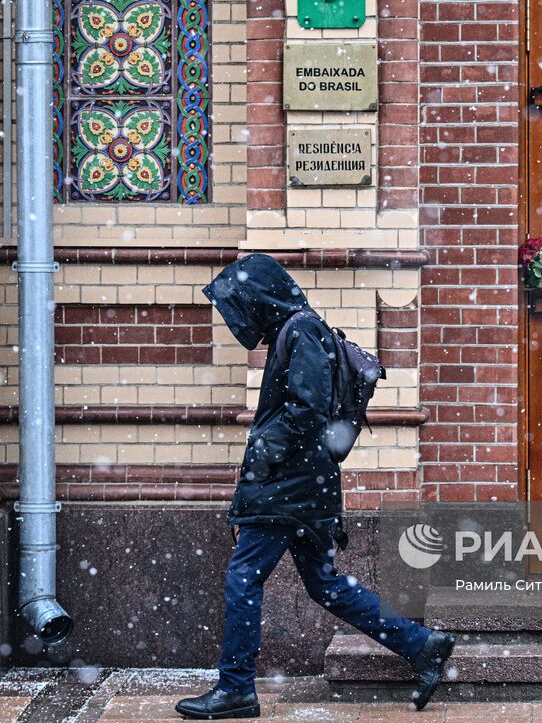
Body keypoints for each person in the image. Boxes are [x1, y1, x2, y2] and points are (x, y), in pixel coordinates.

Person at [176, 254, 454, 720]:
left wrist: (263, 452)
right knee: (324, 584)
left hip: (289, 488)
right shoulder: (301, 329)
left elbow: (307, 411)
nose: (238, 318)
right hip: (306, 486)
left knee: (243, 580)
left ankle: (236, 687)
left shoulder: (300, 331)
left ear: (258, 297)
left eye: (240, 304)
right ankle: (422, 645)